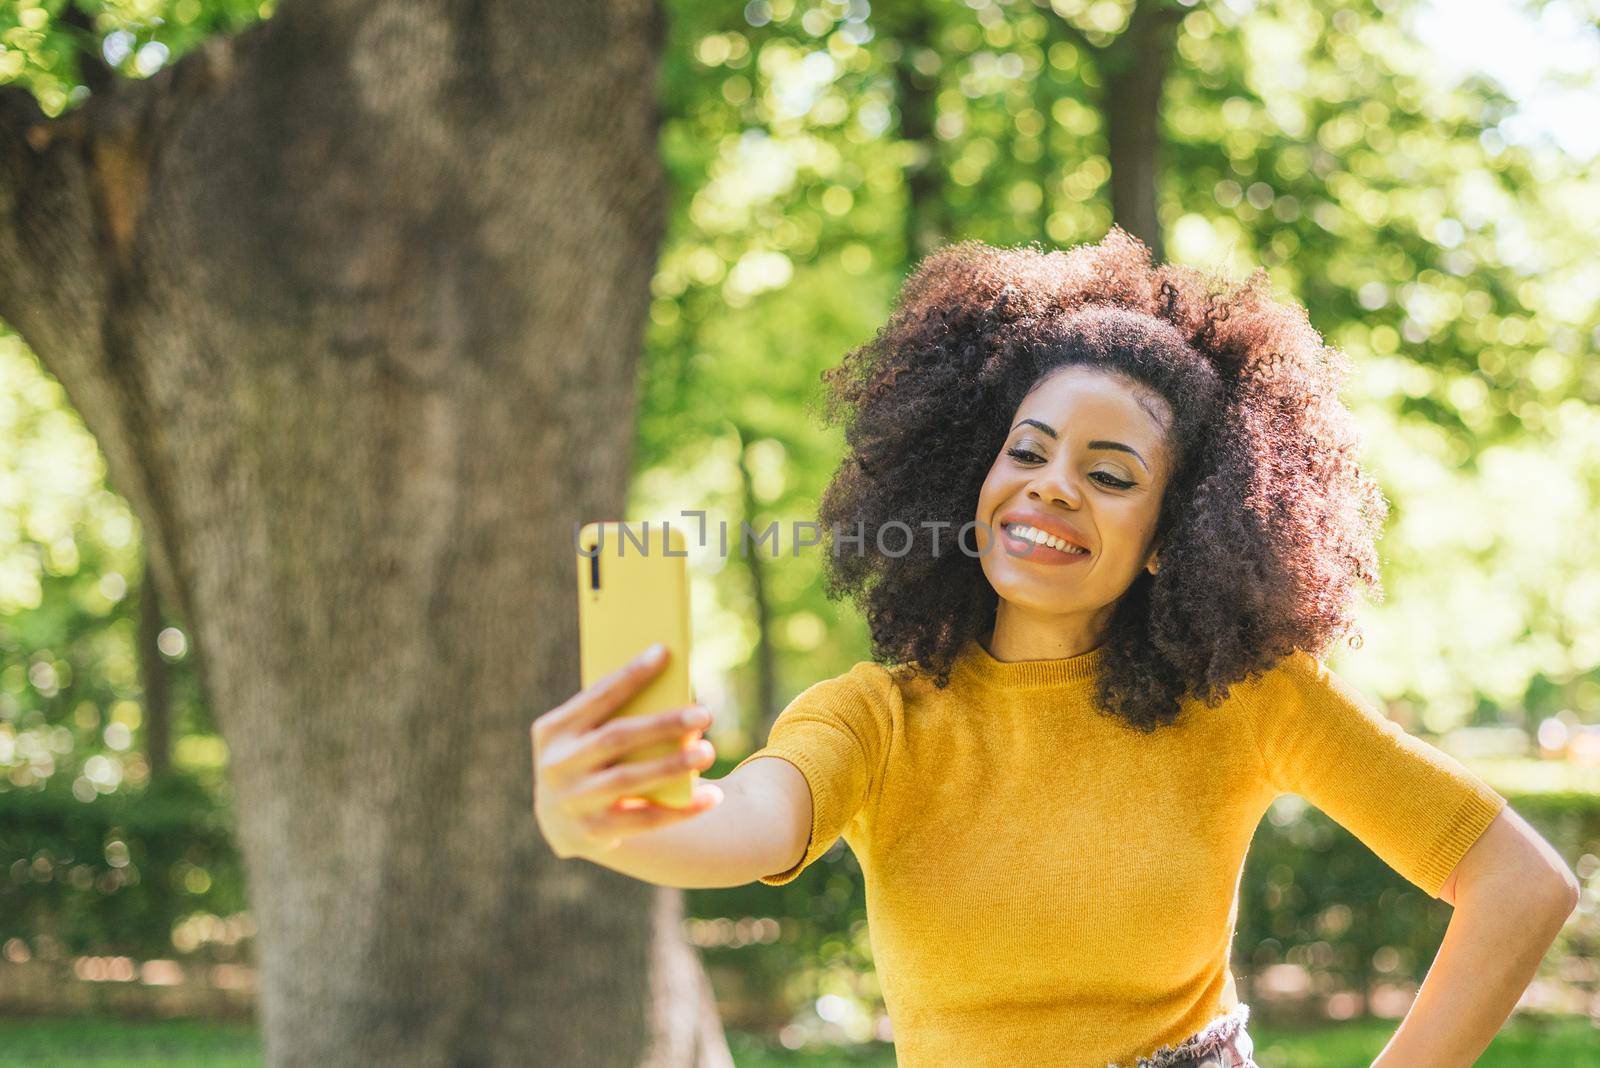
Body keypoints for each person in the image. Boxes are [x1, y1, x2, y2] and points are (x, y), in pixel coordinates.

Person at [531, 228, 1578, 1067]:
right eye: (1025, 452)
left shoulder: (1248, 699)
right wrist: (601, 822)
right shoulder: (874, 718)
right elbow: (741, 828)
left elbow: (1521, 886)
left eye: (1110, 474)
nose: (1050, 486)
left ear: (1174, 537)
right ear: (967, 483)